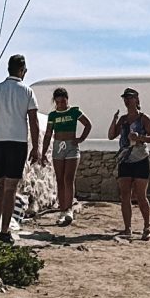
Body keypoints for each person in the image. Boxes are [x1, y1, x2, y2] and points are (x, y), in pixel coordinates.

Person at [0, 55, 41, 244]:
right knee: (11, 188)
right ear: (23, 70)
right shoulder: (27, 92)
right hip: (17, 143)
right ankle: (5, 230)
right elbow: (33, 122)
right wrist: (36, 147)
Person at [109, 87, 150, 242]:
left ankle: (147, 226)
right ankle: (127, 227)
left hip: (140, 159)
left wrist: (140, 137)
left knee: (141, 195)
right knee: (124, 195)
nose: (127, 100)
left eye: (130, 97)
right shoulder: (123, 119)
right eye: (125, 98)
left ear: (137, 99)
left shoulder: (143, 118)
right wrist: (114, 121)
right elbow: (111, 136)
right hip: (125, 159)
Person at [44, 87, 90, 225]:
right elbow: (47, 134)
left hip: (71, 146)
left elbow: (87, 124)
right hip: (58, 146)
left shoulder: (74, 111)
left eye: (63, 101)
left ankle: (69, 209)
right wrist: (42, 152)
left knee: (68, 178)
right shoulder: (53, 115)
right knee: (59, 179)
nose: (60, 105)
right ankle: (62, 209)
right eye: (58, 102)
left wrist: (80, 139)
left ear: (67, 99)